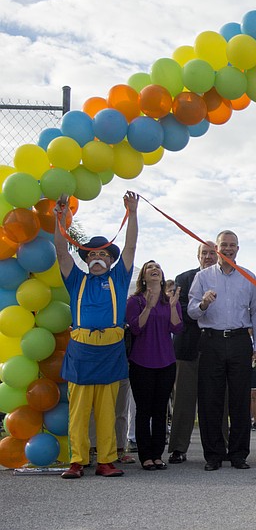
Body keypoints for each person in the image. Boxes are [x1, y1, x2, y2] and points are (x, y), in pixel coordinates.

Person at [55, 192, 139, 479]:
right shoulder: (76, 279)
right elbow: (62, 252)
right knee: (79, 411)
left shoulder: (118, 277)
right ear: (87, 259)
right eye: (93, 254)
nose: (98, 257)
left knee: (106, 410)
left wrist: (133, 212)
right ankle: (77, 461)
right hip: (81, 350)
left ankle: (106, 460)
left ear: (110, 259)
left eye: (103, 253)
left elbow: (130, 246)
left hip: (111, 349)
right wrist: (59, 219)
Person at [188, 230, 256, 471]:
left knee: (240, 400)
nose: (229, 249)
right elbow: (192, 311)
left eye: (233, 245)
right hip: (211, 341)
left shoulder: (248, 277)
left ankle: (238, 454)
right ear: (216, 250)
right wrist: (203, 303)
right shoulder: (203, 278)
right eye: (224, 245)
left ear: (238, 249)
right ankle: (213, 454)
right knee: (210, 400)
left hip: (240, 341)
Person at [125, 260, 183, 470]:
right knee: (144, 410)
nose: (155, 269)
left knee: (160, 411)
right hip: (142, 362)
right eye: (150, 267)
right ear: (143, 276)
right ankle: (145, 456)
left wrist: (174, 305)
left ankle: (157, 455)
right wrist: (148, 307)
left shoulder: (169, 301)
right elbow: (136, 329)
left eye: (158, 267)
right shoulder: (135, 301)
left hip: (166, 361)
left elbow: (176, 328)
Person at [168, 241, 220, 464]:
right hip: (188, 347)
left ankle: (221, 446)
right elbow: (181, 312)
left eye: (212, 253)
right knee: (184, 401)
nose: (208, 256)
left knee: (219, 400)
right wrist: (203, 307)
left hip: (217, 349)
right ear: (198, 256)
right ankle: (179, 448)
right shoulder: (184, 279)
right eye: (204, 253)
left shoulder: (227, 279)